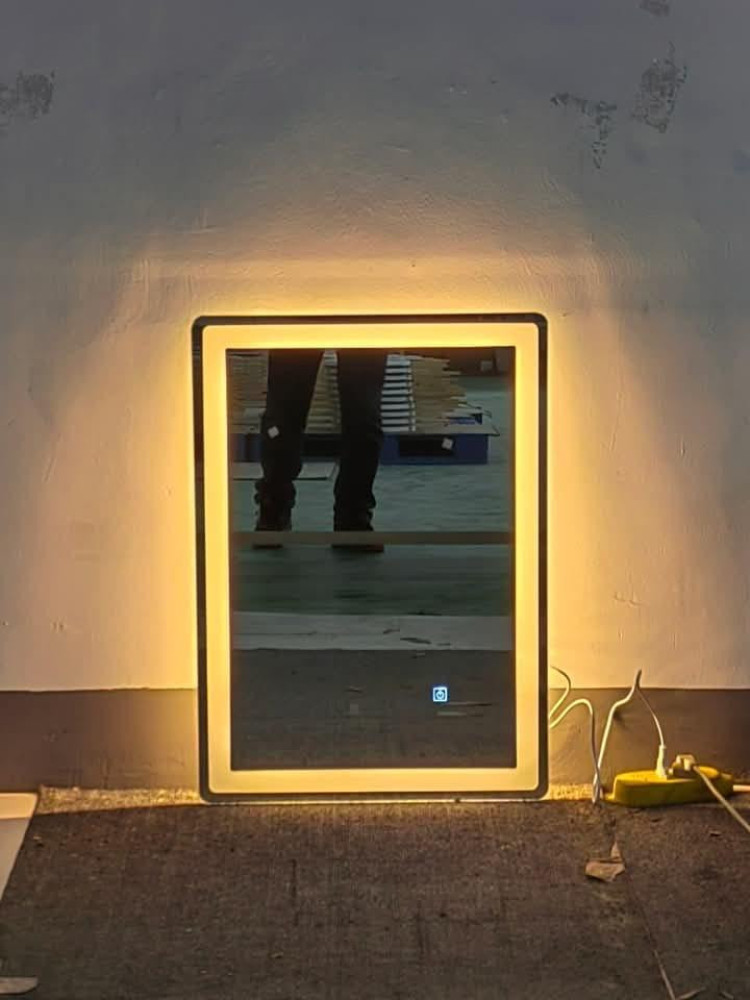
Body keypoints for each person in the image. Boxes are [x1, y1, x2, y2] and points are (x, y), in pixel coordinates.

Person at [254, 348, 388, 552]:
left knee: (364, 417)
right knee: (282, 416)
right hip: (304, 318)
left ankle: (353, 519)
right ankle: (273, 506)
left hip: (357, 318)